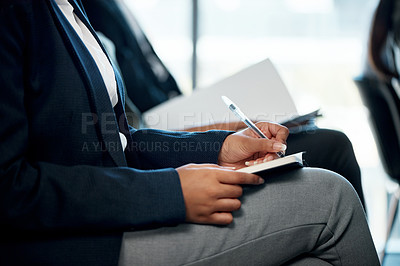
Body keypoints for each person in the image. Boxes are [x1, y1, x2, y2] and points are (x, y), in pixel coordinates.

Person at [0, 1, 379, 265]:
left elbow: (119, 141)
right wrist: (170, 192)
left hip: (108, 216)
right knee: (331, 198)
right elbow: (10, 188)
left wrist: (219, 146)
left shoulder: (67, 8)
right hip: (79, 244)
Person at [81, 0, 366, 207]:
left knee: (318, 141)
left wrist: (221, 139)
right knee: (333, 149)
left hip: (170, 127)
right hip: (164, 135)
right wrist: (219, 134)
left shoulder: (110, 9)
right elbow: (132, 126)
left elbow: (158, 91)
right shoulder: (88, 13)